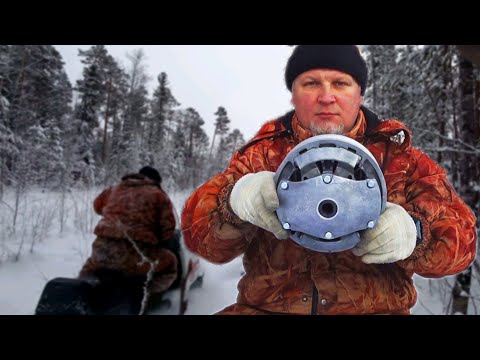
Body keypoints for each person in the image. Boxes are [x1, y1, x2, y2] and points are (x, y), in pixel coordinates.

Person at [181, 45, 477, 315]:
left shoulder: (401, 160)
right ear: (294, 93)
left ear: (359, 93)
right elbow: (201, 239)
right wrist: (233, 202)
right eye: (311, 83)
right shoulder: (262, 156)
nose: (326, 97)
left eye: (340, 83)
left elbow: (462, 244)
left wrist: (415, 234)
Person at [79, 166, 178, 314]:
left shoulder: (113, 189)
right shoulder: (158, 195)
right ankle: (147, 298)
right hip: (136, 256)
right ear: (156, 181)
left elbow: (97, 206)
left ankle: (83, 296)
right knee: (170, 264)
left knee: (88, 271)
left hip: (102, 251)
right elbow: (168, 230)